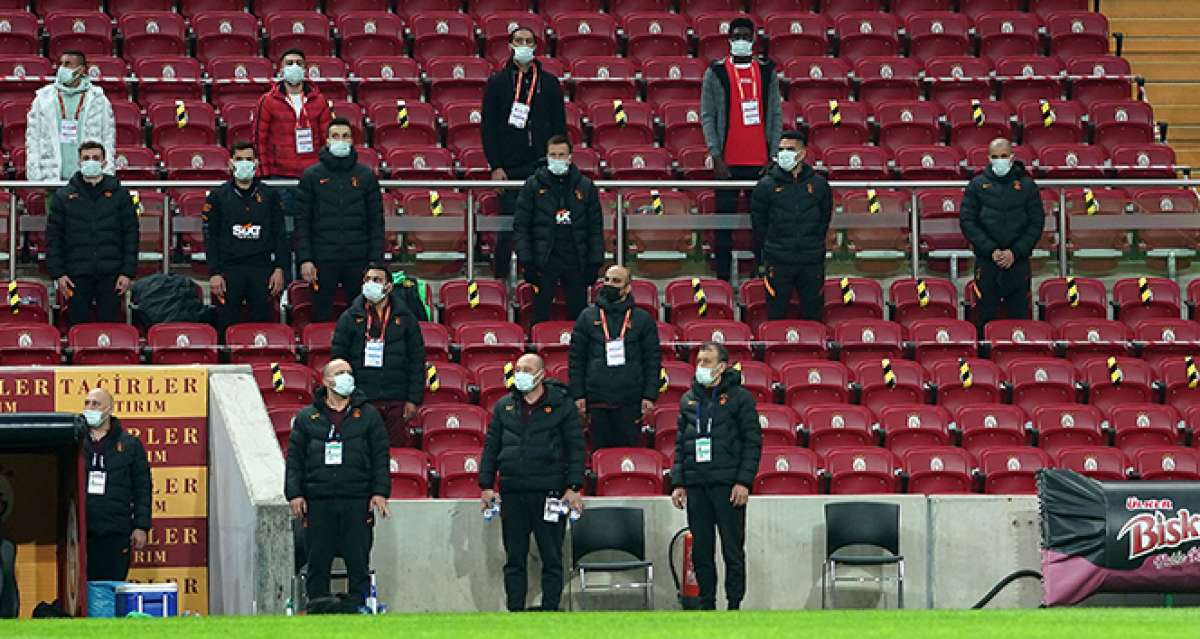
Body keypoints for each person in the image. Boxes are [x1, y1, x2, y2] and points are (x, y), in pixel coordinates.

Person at [478, 354, 585, 613]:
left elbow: (576, 449)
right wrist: (486, 485)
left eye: (526, 369)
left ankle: (550, 610)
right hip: (513, 493)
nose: (520, 373)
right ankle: (515, 611)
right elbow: (491, 448)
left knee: (551, 557)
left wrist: (573, 486)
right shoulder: (504, 407)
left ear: (540, 374)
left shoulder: (562, 405)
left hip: (549, 493)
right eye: (518, 369)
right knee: (514, 558)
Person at [285, 359, 391, 608]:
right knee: (318, 560)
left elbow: (380, 455)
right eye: (339, 373)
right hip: (318, 501)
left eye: (349, 372)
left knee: (358, 560)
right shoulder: (306, 417)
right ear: (325, 381)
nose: (346, 377)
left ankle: (358, 606)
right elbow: (295, 459)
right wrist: (294, 494)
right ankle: (317, 607)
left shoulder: (368, 415)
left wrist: (380, 492)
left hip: (356, 499)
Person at [670, 342, 762, 611]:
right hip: (697, 485)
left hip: (729, 486)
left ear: (722, 367)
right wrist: (678, 482)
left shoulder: (740, 398)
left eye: (707, 362)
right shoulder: (688, 399)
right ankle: (706, 604)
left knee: (732, 551)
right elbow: (680, 444)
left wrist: (744, 481)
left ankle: (734, 605)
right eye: (699, 361)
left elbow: (752, 442)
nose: (701, 367)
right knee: (701, 551)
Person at [481, 26, 567, 280]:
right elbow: (489, 127)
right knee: (509, 227)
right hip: (509, 167)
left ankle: (540, 275)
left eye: (528, 41)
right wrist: (495, 165)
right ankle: (501, 278)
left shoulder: (548, 83)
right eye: (519, 41)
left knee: (543, 224)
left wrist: (556, 160)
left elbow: (559, 126)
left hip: (542, 165)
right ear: (509, 46)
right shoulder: (498, 82)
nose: (524, 45)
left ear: (535, 47)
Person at [700, 16, 782, 283]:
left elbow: (776, 114)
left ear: (754, 40)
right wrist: (716, 154)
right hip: (727, 161)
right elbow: (708, 115)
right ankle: (722, 275)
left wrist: (773, 155)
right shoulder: (716, 72)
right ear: (729, 40)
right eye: (737, 36)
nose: (741, 41)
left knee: (763, 221)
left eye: (746, 36)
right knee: (724, 223)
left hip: (760, 161)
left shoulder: (768, 72)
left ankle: (762, 271)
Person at [294, 118, 384, 322]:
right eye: (335, 136)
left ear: (352, 140)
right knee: (321, 315)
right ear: (327, 140)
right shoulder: (311, 176)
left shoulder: (366, 176)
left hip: (358, 259)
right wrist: (305, 259)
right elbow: (302, 222)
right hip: (322, 260)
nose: (340, 141)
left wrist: (375, 262)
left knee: (361, 317)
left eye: (345, 136)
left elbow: (376, 222)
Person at [330, 263, 427, 447]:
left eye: (377, 280)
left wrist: (413, 400)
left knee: (395, 455)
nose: (370, 284)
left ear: (389, 286)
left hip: (396, 400)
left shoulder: (406, 318)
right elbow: (338, 360)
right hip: (362, 400)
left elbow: (416, 360)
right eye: (367, 280)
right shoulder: (349, 318)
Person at [568, 265, 662, 449]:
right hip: (597, 401)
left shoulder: (642, 319)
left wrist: (649, 396)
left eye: (616, 281)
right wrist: (578, 395)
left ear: (627, 288)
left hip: (630, 402)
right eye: (607, 280)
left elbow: (652, 360)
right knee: (600, 457)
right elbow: (576, 360)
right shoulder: (587, 317)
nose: (610, 284)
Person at [513, 135, 603, 324]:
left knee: (580, 317)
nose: (557, 158)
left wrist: (595, 263)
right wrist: (527, 261)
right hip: (543, 262)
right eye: (553, 154)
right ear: (547, 156)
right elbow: (521, 226)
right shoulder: (532, 186)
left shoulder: (586, 187)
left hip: (576, 259)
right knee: (540, 316)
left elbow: (595, 228)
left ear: (570, 157)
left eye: (561, 154)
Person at [960, 138, 1046, 334]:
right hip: (987, 263)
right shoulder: (976, 185)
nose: (1000, 160)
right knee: (985, 317)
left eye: (1004, 156)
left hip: (1018, 263)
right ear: (989, 158)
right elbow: (968, 222)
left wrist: (1015, 252)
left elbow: (1036, 223)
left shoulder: (1027, 186)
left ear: (1012, 157)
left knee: (1019, 319)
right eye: (996, 157)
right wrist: (991, 250)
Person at [202, 141, 288, 335]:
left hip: (262, 269)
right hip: (229, 270)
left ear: (256, 163)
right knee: (226, 323)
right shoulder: (217, 197)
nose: (244, 163)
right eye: (239, 159)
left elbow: (280, 235)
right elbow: (211, 238)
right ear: (231, 163)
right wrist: (214, 272)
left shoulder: (270, 195)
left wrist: (280, 268)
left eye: (248, 159)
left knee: (262, 326)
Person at [47, 141, 137, 325]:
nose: (91, 162)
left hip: (111, 275)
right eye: (86, 158)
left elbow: (131, 235)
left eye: (96, 158)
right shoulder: (63, 197)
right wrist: (58, 273)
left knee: (110, 328)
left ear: (104, 162)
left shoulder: (120, 195)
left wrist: (127, 272)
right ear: (79, 162)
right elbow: (53, 238)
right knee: (77, 328)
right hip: (75, 276)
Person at [750, 131, 832, 321]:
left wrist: (813, 244)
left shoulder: (819, 185)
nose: (784, 153)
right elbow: (759, 224)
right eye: (781, 149)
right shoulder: (765, 186)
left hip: (811, 261)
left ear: (802, 153)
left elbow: (824, 218)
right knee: (776, 316)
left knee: (813, 316)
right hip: (778, 261)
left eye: (790, 149)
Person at [82, 388, 151, 581]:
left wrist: (141, 526)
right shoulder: (77, 443)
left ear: (110, 409)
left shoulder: (130, 445)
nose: (90, 408)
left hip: (116, 530)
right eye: (87, 403)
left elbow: (143, 490)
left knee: (111, 586)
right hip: (82, 531)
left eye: (96, 404)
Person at [26, 50, 115, 182]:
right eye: (61, 64)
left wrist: (107, 173)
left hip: (89, 179)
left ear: (81, 70)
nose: (62, 68)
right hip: (51, 178)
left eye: (68, 64)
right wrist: (35, 176)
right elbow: (33, 140)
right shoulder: (43, 99)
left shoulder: (98, 100)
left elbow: (108, 139)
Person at [253, 48, 332, 181]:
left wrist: (327, 168)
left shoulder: (319, 100)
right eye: (289, 63)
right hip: (279, 174)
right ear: (281, 69)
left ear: (305, 69)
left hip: (313, 172)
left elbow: (327, 138)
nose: (294, 66)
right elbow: (259, 139)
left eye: (299, 63)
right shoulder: (267, 101)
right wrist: (264, 174)